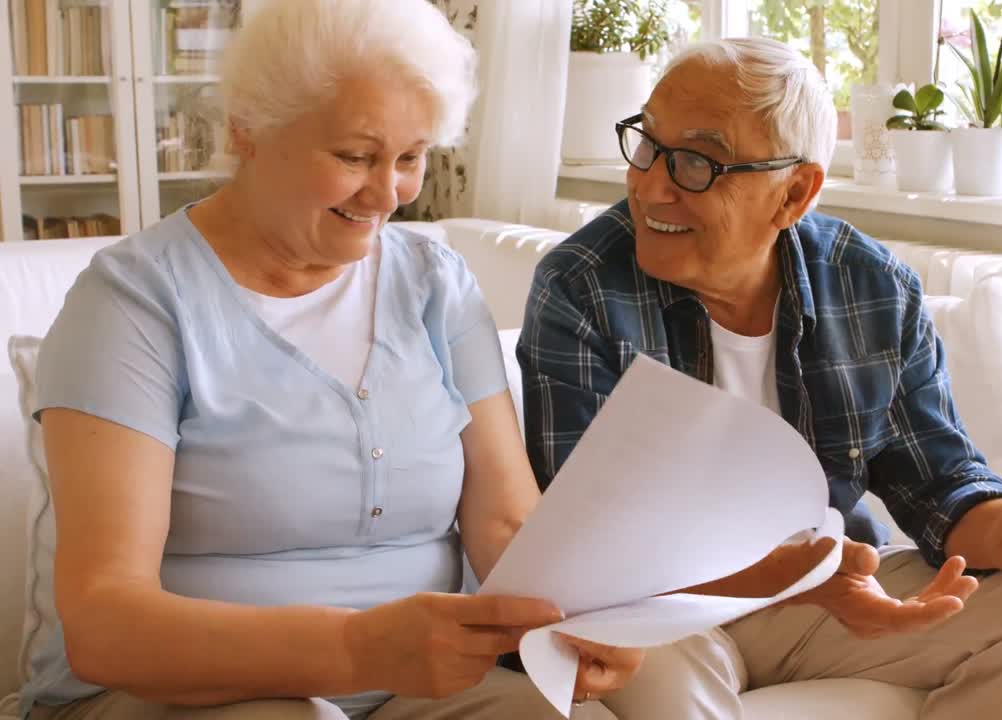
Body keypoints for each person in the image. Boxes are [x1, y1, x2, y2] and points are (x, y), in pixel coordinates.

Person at [517, 37, 1002, 720]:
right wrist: (800, 578)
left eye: (695, 163)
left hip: (829, 593)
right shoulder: (580, 288)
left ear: (794, 192)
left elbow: (936, 480)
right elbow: (592, 545)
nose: (650, 183)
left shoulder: (872, 285)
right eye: (648, 144)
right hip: (660, 610)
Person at [11, 1, 631, 718]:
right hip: (162, 694)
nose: (387, 192)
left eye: (411, 157)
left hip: (409, 688)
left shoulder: (435, 281)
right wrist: (359, 648)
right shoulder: (132, 302)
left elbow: (506, 527)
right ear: (249, 129)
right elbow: (105, 626)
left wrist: (582, 625)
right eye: (354, 156)